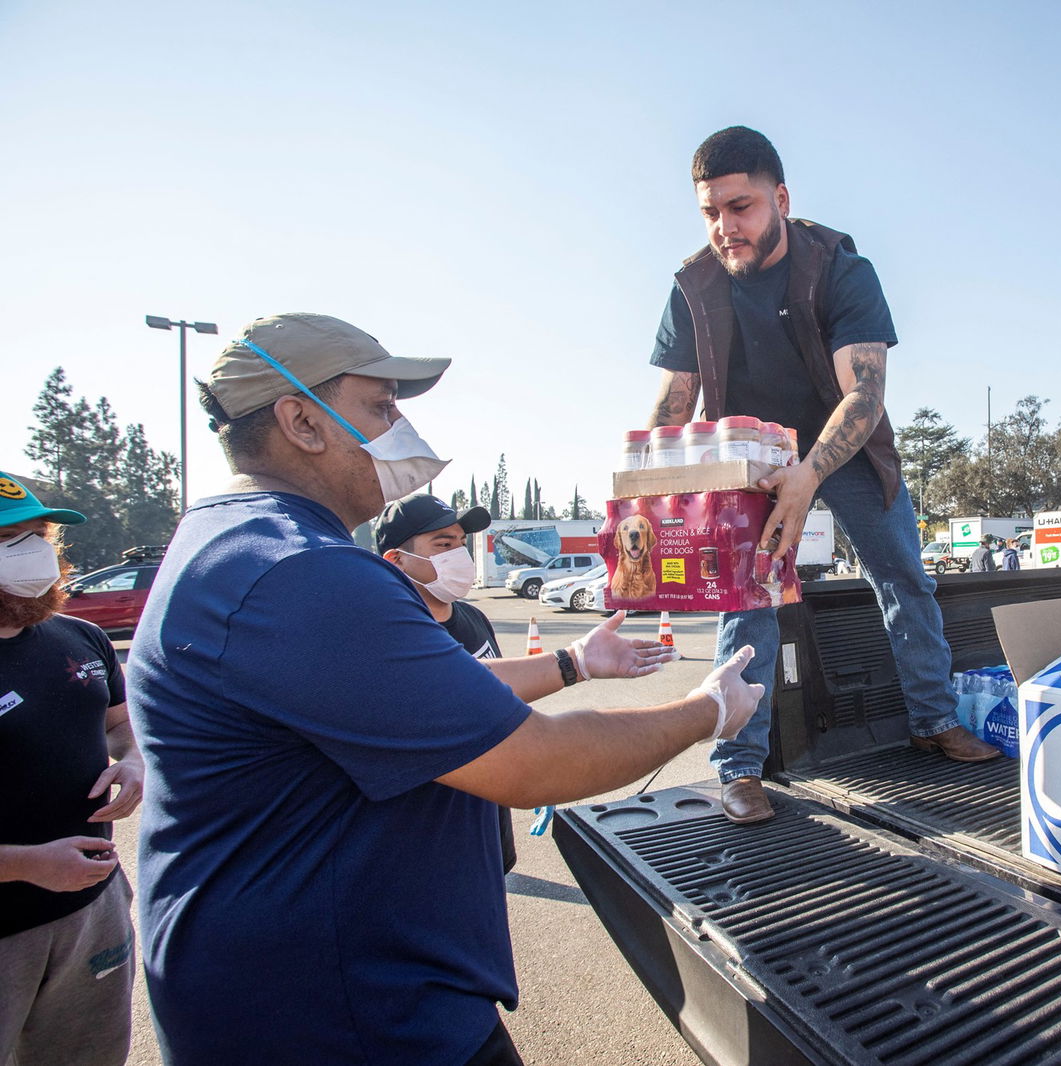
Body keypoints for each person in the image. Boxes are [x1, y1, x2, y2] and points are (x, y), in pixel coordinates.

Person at [128, 312, 762, 1066]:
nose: (401, 428)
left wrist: (571, 665)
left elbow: (417, 692)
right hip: (345, 1021)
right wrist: (708, 710)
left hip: (324, 1002)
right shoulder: (299, 571)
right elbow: (536, 764)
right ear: (300, 420)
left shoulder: (248, 547)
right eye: (380, 407)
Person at [646, 126, 997, 824]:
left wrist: (808, 475)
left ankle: (934, 720)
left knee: (902, 574)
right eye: (711, 212)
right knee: (749, 602)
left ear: (780, 197)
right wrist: (648, 497)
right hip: (748, 461)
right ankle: (739, 768)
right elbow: (673, 404)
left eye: (740, 207)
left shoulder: (838, 266)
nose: (725, 227)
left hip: (844, 447)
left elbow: (863, 397)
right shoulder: (692, 285)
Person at [0, 473, 142, 1066]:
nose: (35, 552)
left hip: (92, 911)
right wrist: (27, 864)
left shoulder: (82, 637)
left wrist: (134, 762)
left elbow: (122, 725)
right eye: (11, 540)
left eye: (39, 535)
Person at [372, 492, 515, 873]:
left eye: (461, 544)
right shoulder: (393, 636)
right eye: (443, 544)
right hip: (431, 839)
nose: (459, 556)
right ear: (397, 560)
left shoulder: (473, 618)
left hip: (488, 818)